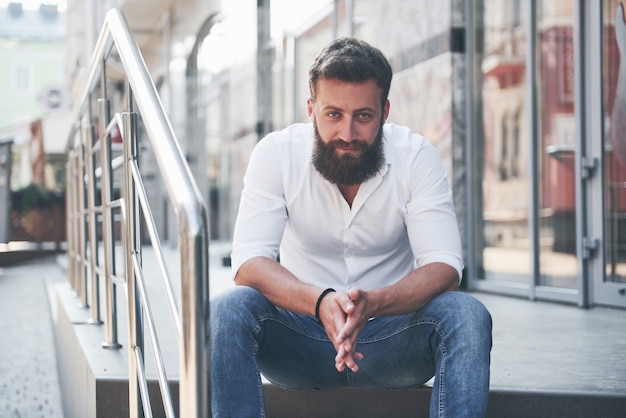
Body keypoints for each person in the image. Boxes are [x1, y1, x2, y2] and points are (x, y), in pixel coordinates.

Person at [210, 37, 492, 417]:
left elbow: (444, 266)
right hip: (301, 341)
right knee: (227, 311)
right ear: (311, 109)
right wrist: (321, 301)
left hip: (392, 341)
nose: (347, 133)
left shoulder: (416, 155)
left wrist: (374, 302)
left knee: (467, 315)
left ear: (385, 111)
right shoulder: (275, 154)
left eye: (363, 115)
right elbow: (248, 262)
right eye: (333, 115)